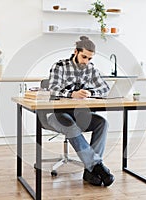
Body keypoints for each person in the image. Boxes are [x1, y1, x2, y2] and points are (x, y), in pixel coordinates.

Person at [46, 36, 115, 186]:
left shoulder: (90, 69)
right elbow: (53, 88)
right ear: (75, 52)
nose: (86, 62)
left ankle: (89, 172)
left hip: (79, 114)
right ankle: (97, 166)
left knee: (102, 123)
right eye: (84, 57)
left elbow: (105, 88)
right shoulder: (60, 66)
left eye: (89, 58)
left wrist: (91, 92)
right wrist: (72, 94)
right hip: (56, 115)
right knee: (70, 124)